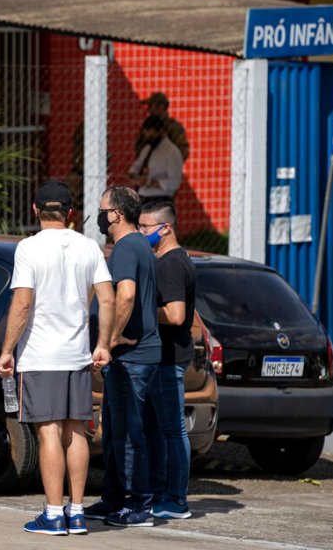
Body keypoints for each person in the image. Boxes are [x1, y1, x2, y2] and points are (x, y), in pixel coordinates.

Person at [0, 179, 115, 536]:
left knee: (48, 432)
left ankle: (53, 513)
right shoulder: (89, 247)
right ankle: (77, 512)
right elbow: (107, 299)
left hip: (40, 355)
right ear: (71, 214)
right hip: (77, 353)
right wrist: (103, 344)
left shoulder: (29, 248)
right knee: (76, 431)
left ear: (35, 210)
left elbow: (23, 302)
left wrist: (6, 350)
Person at [84, 186, 161, 527]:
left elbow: (125, 296)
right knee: (115, 429)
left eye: (103, 209)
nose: (100, 216)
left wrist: (110, 340)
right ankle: (114, 498)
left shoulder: (128, 247)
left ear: (116, 213)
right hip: (130, 357)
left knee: (129, 432)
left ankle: (139, 504)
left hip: (132, 356)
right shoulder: (136, 246)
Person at [139, 200, 196, 520]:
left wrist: (141, 312)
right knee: (155, 430)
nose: (142, 232)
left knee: (172, 430)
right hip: (160, 359)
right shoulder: (166, 259)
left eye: (146, 227)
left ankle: (176, 499)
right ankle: (159, 493)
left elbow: (175, 315)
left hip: (168, 358)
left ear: (166, 228)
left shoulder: (172, 263)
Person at [128, 115, 183, 206]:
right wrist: (135, 178)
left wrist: (148, 182)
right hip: (142, 197)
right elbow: (134, 168)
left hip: (161, 199)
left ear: (161, 131)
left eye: (151, 134)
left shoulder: (172, 152)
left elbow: (174, 182)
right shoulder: (147, 149)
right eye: (146, 133)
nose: (148, 137)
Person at [135, 92, 189, 161]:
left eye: (150, 106)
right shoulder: (147, 126)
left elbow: (183, 150)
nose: (148, 110)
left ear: (161, 107)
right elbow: (139, 148)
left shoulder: (173, 127)